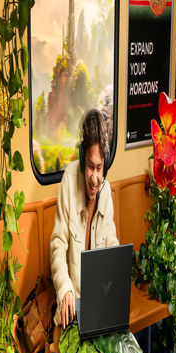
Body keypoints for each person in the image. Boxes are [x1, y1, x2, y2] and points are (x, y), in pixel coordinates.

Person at [50, 109, 119, 330]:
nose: (95, 178)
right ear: (82, 160)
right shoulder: (69, 182)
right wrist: (65, 288)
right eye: (90, 167)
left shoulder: (105, 192)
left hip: (99, 304)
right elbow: (57, 244)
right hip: (72, 308)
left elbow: (111, 246)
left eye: (99, 168)